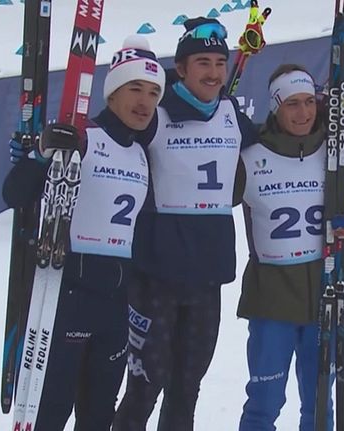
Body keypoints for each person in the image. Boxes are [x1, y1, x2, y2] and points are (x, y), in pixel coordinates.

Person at [2, 35, 165, 431]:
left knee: (98, 415)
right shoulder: (82, 138)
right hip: (68, 295)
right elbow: (15, 194)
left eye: (153, 93)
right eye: (135, 88)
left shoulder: (141, 154)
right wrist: (40, 154)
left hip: (116, 303)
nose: (145, 102)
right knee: (51, 410)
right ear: (112, 93)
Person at [113, 17, 258, 431]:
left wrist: (333, 122)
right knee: (145, 386)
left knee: (186, 388)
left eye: (220, 63)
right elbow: (109, 136)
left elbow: (275, 145)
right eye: (203, 64)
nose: (213, 73)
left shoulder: (230, 113)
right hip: (155, 277)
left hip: (207, 278)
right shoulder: (155, 114)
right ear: (181, 68)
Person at [233, 64, 344, 431]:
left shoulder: (335, 156)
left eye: (308, 102)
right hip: (271, 298)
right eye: (292, 104)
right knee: (264, 404)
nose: (303, 113)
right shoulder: (250, 155)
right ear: (275, 107)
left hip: (326, 293)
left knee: (319, 403)